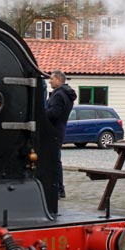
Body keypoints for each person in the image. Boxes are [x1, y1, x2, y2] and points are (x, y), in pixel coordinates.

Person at [46, 70, 77, 198]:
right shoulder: (66, 94)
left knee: (53, 160)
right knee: (55, 159)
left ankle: (58, 189)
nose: (49, 81)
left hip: (53, 131)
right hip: (59, 130)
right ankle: (58, 188)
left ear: (59, 79)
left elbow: (53, 114)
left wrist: (40, 112)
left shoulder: (59, 95)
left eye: (52, 78)